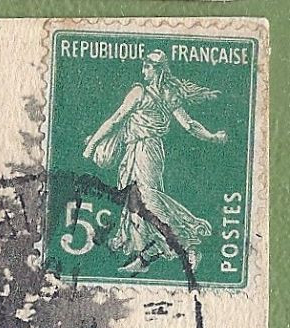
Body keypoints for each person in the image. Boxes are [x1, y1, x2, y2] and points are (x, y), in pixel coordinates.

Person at [82, 50, 227, 274]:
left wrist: (92, 145)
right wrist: (211, 136)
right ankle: (147, 256)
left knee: (148, 201)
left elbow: (187, 124)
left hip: (147, 151)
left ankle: (189, 245)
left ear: (158, 69)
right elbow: (119, 118)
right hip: (136, 151)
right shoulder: (152, 92)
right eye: (143, 66)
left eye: (147, 67)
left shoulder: (150, 93)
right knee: (136, 208)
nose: (143, 71)